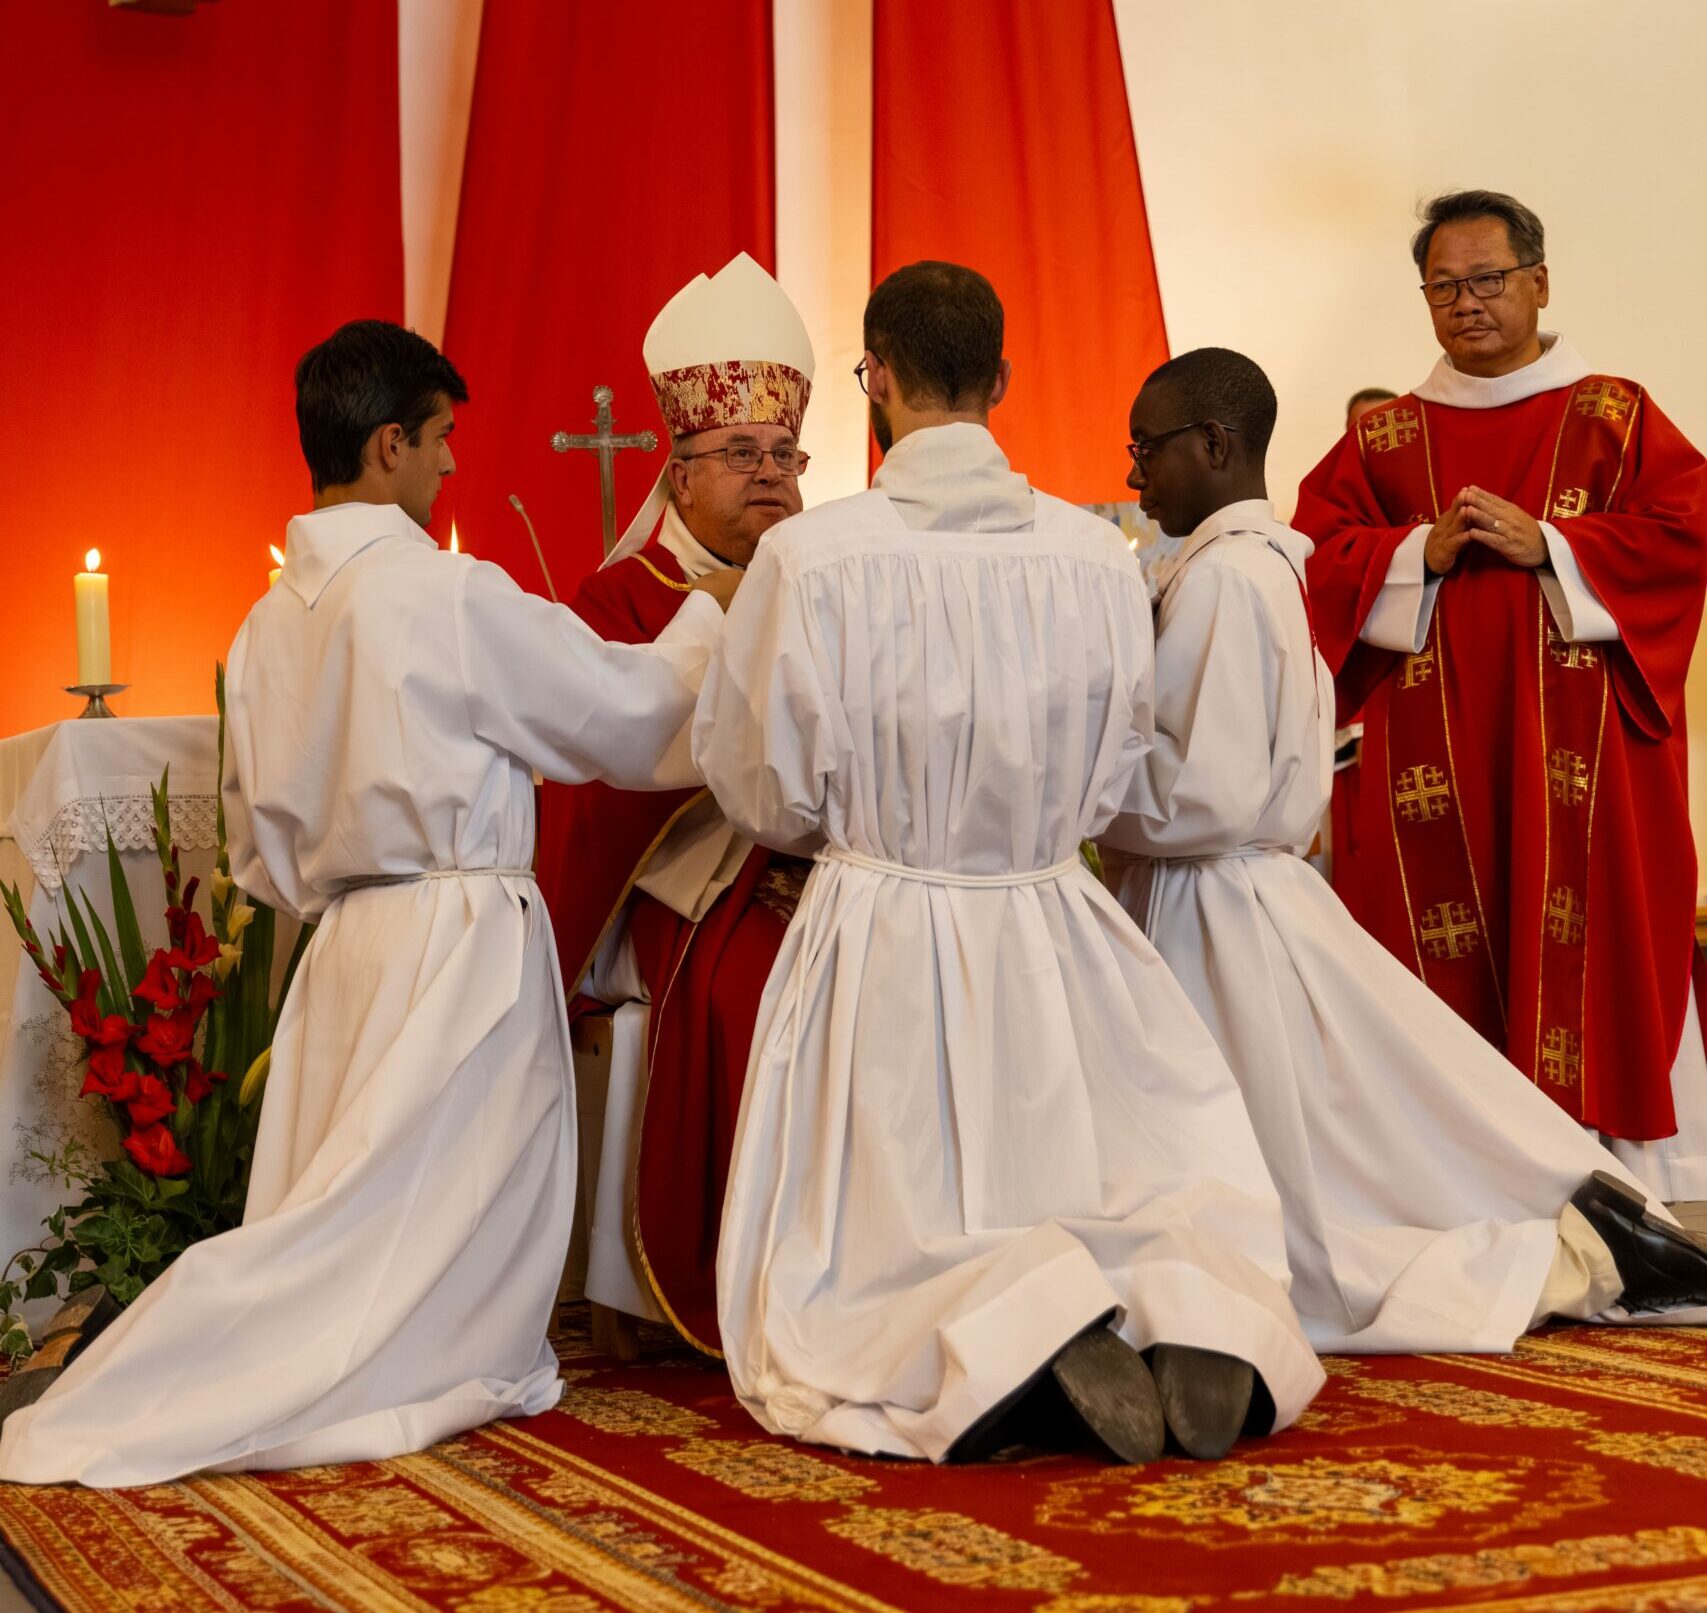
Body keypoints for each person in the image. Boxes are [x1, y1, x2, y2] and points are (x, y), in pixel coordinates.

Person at [0, 319, 736, 1486]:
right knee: (423, 1220)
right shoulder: (437, 592)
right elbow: (621, 711)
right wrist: (715, 623)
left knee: (349, 1217)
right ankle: (419, 1360)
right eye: (442, 438)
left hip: (344, 947)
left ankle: (261, 1361)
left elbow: (256, 852)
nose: (452, 464)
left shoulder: (261, 629)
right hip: (456, 937)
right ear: (390, 442)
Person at [695, 262, 1324, 1467]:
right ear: (1004, 381)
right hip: (1051, 915)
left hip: (882, 915)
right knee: (1120, 1172)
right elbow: (1117, 767)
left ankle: (1010, 1327)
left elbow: (762, 783)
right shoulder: (1100, 557)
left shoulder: (812, 559)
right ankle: (1191, 1310)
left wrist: (859, 830)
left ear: (872, 378)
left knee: (883, 1224)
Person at [1104, 346, 1707, 1354]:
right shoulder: (1295, 552)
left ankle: (1228, 1281)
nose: (1134, 476)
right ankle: (1585, 1224)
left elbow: (1199, 792)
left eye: (1145, 450)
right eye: (1442, 284)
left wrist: (1089, 799)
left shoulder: (1222, 580)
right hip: (1256, 882)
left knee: (1271, 1127)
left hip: (1210, 887)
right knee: (1349, 1111)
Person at [1296, 190, 1707, 1196]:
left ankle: (1610, 1200)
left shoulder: (1612, 412)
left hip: (1585, 764)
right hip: (1429, 769)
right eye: (1443, 285)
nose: (1465, 303)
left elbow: (1687, 530)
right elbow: (1313, 553)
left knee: (1582, 958)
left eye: (1485, 280)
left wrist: (1558, 545)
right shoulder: (1387, 436)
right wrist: (1410, 552)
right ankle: (1448, 1191)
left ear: (1539, 282)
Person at [536, 255, 816, 1354]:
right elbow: (597, 775)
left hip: (827, 859)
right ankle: (749, 1283)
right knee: (760, 981)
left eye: (785, 453)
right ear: (680, 468)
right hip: (684, 879)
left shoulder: (830, 571)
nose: (771, 475)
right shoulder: (619, 598)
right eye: (740, 453)